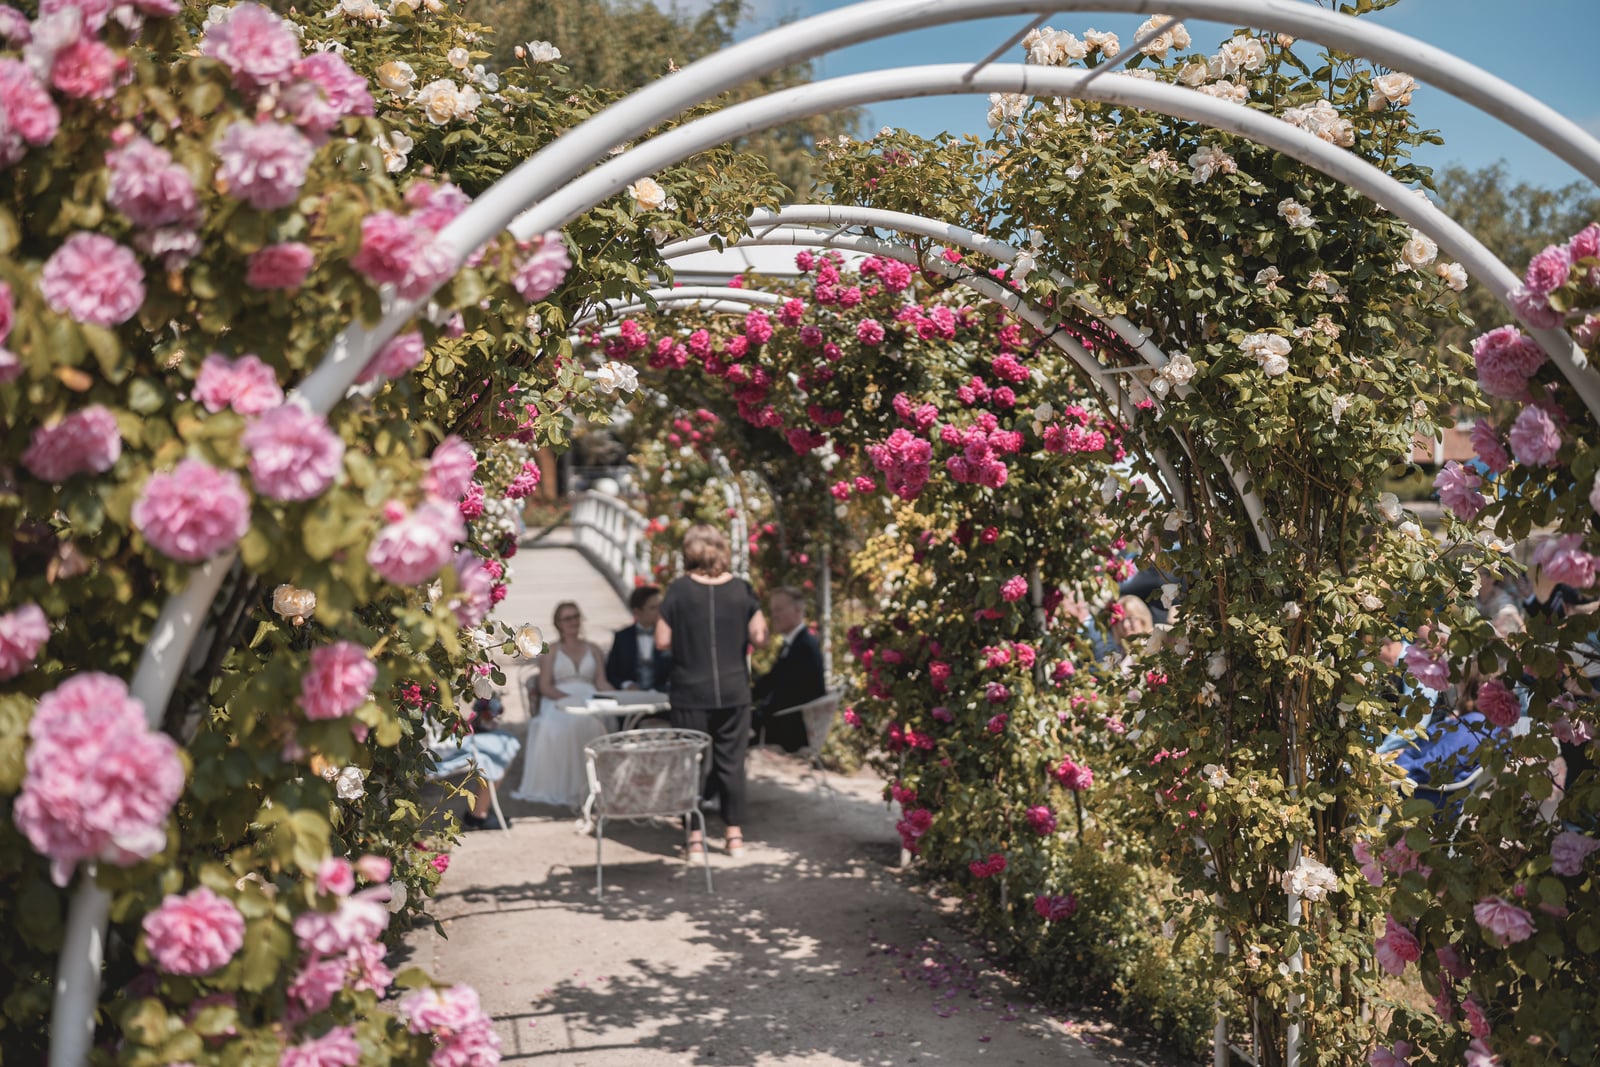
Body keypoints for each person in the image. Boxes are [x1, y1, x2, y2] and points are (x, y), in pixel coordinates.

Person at [656, 524, 766, 858]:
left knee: (690, 763)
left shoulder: (678, 591)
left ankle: (694, 838)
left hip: (690, 690)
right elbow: (760, 636)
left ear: (688, 553)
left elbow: (661, 640)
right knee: (731, 763)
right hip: (733, 690)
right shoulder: (742, 590)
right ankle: (734, 836)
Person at [511, 601, 614, 808]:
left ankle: (599, 786)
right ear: (558, 623)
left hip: (590, 697)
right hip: (559, 699)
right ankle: (572, 788)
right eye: (568, 618)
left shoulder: (593, 648)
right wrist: (569, 699)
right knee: (565, 724)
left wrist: (617, 696)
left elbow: (601, 682)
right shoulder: (551, 651)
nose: (573, 622)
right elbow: (545, 686)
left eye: (576, 617)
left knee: (599, 721)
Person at [429, 691, 522, 831]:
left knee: (503, 741)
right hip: (441, 748)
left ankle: (478, 811)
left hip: (438, 742)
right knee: (503, 745)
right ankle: (478, 814)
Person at [751, 586, 826, 753]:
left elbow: (788, 692)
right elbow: (772, 680)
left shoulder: (804, 647)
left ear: (798, 610)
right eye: (772, 611)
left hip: (791, 729)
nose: (774, 616)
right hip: (784, 720)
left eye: (779, 610)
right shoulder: (795, 644)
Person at [605, 585, 672, 692]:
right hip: (631, 698)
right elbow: (611, 672)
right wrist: (626, 684)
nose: (659, 612)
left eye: (661, 606)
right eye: (653, 608)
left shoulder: (670, 635)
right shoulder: (622, 637)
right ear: (637, 611)